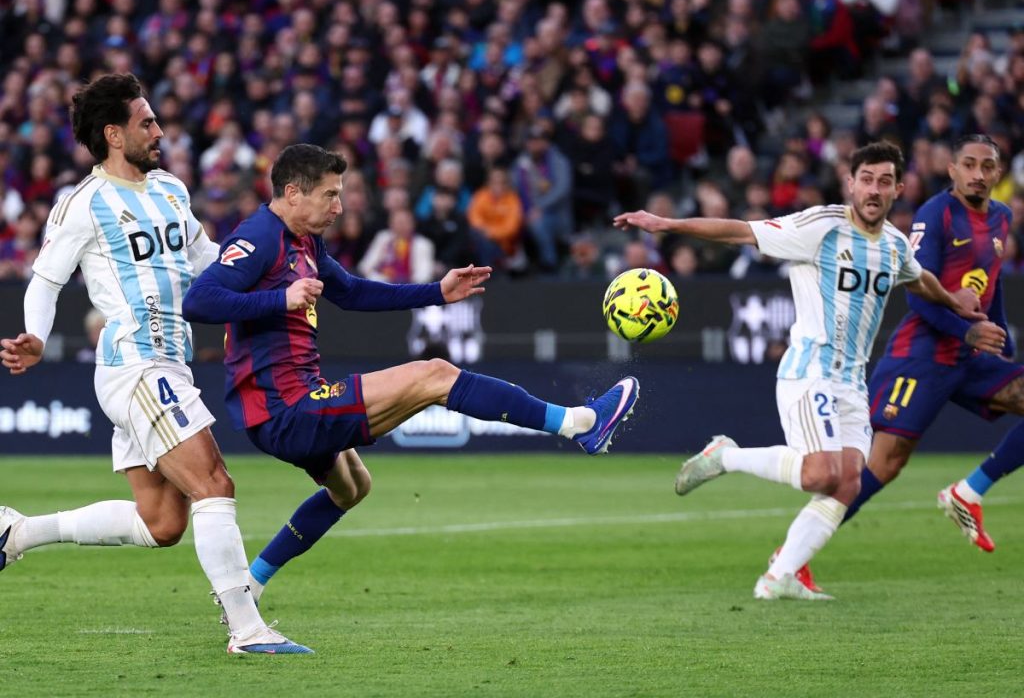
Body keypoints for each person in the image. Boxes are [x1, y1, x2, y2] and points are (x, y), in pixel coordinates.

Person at [180, 143, 639, 609]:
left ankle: (251, 584)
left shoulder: (305, 241)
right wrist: (281, 299)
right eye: (330, 195)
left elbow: (353, 293)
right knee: (435, 375)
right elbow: (199, 301)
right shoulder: (259, 236)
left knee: (352, 488)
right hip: (284, 408)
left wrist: (437, 292)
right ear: (293, 193)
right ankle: (578, 424)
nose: (339, 208)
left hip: (292, 402)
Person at [0, 73, 310, 655]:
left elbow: (208, 261)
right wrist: (36, 337)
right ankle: (247, 630)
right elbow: (44, 280)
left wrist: (270, 282)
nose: (160, 131)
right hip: (136, 365)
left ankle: (17, 531)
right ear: (114, 134)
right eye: (147, 122)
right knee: (215, 483)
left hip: (172, 364)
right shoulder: (83, 204)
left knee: (162, 523)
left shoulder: (171, 189)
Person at [613, 141, 983, 600]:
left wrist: (953, 301)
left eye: (884, 181)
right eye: (866, 179)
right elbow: (741, 232)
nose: (874, 189)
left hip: (852, 382)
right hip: (810, 370)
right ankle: (725, 457)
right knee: (820, 475)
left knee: (849, 483)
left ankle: (780, 576)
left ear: (898, 190)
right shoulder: (821, 227)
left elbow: (917, 277)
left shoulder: (893, 244)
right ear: (850, 184)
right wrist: (668, 224)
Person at [837, 135, 1023, 553]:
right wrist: (968, 332)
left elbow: (991, 284)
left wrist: (1000, 336)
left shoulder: (1002, 217)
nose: (978, 174)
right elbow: (918, 295)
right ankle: (793, 554)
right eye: (969, 165)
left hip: (968, 357)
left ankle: (968, 493)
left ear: (998, 173)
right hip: (921, 355)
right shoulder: (936, 214)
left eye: (987, 166)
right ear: (952, 170)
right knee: (884, 464)